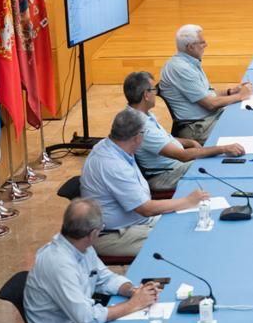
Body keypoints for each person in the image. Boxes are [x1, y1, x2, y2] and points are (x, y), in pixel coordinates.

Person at [23, 199, 161, 323]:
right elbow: (86, 319)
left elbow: (105, 278)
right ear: (93, 233)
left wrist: (132, 291)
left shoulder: (81, 247)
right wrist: (132, 305)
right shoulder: (59, 263)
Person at [81, 108, 210, 258]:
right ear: (137, 138)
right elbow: (146, 209)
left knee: (190, 222)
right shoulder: (112, 165)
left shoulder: (114, 146)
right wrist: (188, 201)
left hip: (137, 221)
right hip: (115, 234)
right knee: (181, 241)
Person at [125, 71, 245, 192]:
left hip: (174, 165)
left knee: (217, 158)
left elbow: (163, 140)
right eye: (153, 90)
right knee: (218, 163)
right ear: (146, 95)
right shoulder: (141, 126)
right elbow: (182, 156)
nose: (156, 93)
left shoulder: (138, 113)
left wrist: (189, 142)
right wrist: (223, 149)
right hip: (166, 175)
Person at [159, 24, 253, 142]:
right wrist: (240, 96)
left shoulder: (189, 62)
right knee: (247, 131)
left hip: (208, 120)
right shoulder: (181, 68)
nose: (206, 45)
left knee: (249, 119)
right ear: (190, 47)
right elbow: (210, 104)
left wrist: (231, 92)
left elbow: (207, 94)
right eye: (202, 43)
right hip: (197, 128)